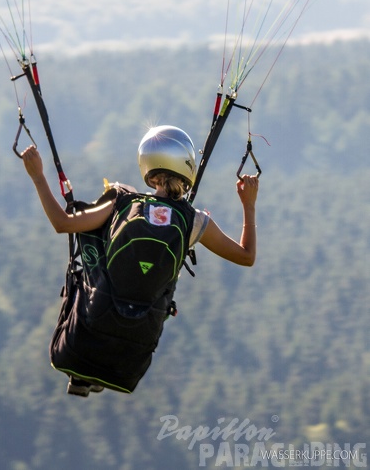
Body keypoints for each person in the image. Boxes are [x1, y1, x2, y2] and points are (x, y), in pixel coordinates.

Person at [21, 125, 259, 395]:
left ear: (147, 164)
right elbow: (246, 256)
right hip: (138, 340)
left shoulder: (122, 202)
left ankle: (84, 374)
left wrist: (38, 175)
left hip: (94, 319)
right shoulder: (193, 221)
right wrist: (248, 204)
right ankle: (98, 373)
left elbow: (62, 223)